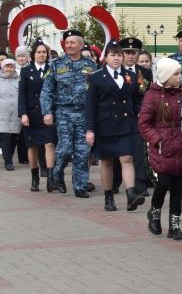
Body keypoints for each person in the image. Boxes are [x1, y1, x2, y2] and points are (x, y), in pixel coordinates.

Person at [84, 40, 146, 212]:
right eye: (113, 55)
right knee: (107, 162)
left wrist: (140, 112)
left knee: (127, 158)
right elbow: (90, 104)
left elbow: (137, 99)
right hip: (105, 125)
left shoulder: (131, 76)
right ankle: (108, 197)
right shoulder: (95, 77)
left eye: (120, 55)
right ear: (106, 57)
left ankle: (131, 195)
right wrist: (89, 129)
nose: (117, 58)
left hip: (126, 124)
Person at [139, 58, 182, 239]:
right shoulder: (152, 95)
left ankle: (174, 226)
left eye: (180, 73)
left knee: (178, 187)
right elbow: (144, 123)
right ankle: (154, 213)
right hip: (163, 149)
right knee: (163, 183)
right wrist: (157, 140)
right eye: (176, 74)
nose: (180, 77)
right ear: (166, 76)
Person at [41, 29, 98, 197]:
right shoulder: (56, 64)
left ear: (81, 45)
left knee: (82, 151)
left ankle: (80, 187)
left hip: (84, 114)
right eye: (67, 43)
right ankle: (57, 174)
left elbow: (96, 91)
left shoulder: (91, 65)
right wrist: (47, 112)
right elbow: (47, 91)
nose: (69, 45)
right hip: (63, 112)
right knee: (64, 149)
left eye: (72, 42)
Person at [112, 37, 152, 198]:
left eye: (133, 53)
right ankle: (115, 182)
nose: (130, 56)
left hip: (138, 117)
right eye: (127, 53)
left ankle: (140, 185)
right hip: (117, 116)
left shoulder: (145, 72)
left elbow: (148, 94)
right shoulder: (114, 70)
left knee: (138, 150)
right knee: (116, 152)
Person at [18, 40, 56, 191]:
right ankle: (35, 178)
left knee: (50, 143)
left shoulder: (52, 69)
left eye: (44, 52)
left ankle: (50, 179)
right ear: (33, 54)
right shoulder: (26, 71)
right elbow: (22, 94)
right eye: (39, 52)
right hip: (32, 114)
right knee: (32, 147)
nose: (42, 54)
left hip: (48, 114)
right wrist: (23, 114)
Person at [0, 59, 21, 171]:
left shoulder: (19, 80)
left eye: (11, 66)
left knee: (13, 137)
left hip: (15, 115)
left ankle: (9, 158)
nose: (9, 69)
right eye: (6, 66)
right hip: (2, 114)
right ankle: (8, 162)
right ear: (2, 68)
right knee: (5, 137)